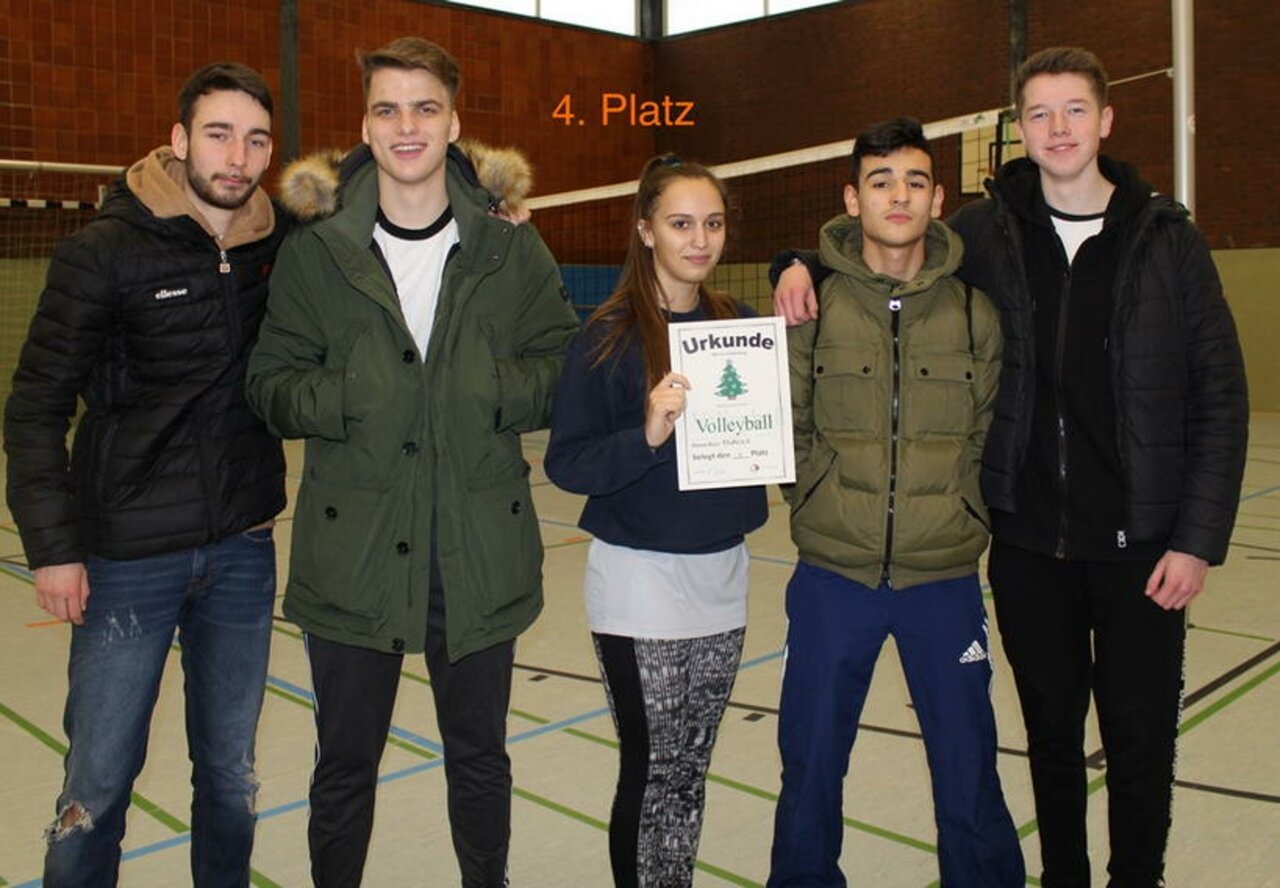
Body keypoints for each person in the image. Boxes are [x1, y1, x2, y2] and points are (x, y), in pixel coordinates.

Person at [774, 49, 1249, 888]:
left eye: (1074, 110)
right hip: (1027, 545)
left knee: (1136, 743)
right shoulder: (993, 236)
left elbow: (1219, 395)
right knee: (1049, 739)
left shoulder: (1162, 239)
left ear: (1106, 120)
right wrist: (793, 263)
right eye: (1039, 113)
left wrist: (1197, 538)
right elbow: (864, 267)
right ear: (1017, 132)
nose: (1058, 128)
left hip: (1134, 548)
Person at [245, 37, 580, 887]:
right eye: (387, 109)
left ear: (454, 123)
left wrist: (492, 388)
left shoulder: (509, 248)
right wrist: (348, 394)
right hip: (354, 552)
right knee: (345, 768)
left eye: (424, 108)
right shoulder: (319, 251)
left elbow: (562, 368)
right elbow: (271, 384)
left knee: (480, 760)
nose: (406, 126)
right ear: (365, 124)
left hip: (476, 553)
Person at [3, 63, 286, 886]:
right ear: (178, 141)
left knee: (230, 777)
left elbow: (388, 181)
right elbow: (33, 409)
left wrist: (491, 205)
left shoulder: (278, 240)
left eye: (256, 138)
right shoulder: (102, 252)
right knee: (97, 781)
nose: (236, 156)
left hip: (241, 549)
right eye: (218, 133)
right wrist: (53, 548)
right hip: (125, 560)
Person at [767, 117, 1023, 888]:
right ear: (853, 197)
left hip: (942, 580)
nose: (899, 195)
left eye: (914, 181)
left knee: (968, 764)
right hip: (831, 578)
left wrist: (958, 515)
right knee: (810, 763)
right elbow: (793, 424)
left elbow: (985, 431)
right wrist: (819, 500)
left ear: (938, 196)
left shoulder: (975, 311)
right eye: (881, 182)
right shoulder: (810, 303)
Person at [544, 155, 769, 887]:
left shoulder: (738, 327)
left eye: (712, 223)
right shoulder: (605, 336)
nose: (699, 240)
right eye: (680, 223)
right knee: (653, 767)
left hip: (722, 574)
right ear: (646, 231)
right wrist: (643, 433)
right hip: (641, 581)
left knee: (693, 770)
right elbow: (567, 464)